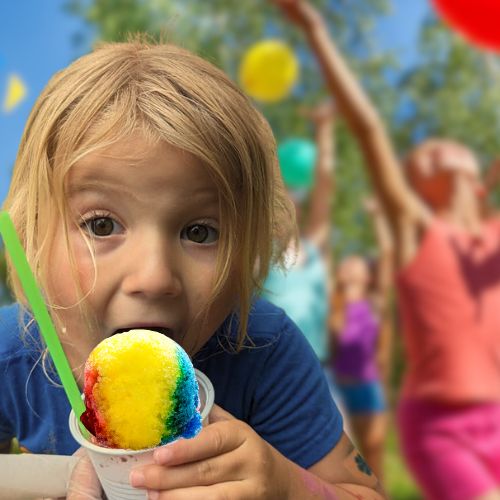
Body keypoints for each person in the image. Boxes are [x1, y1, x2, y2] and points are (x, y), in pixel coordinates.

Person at [0, 38, 386, 499]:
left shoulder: (264, 347)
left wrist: (287, 487)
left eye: (200, 232)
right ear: (30, 239)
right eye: (101, 225)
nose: (155, 277)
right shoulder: (11, 355)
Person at [273, 1, 500, 499]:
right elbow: (371, 129)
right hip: (447, 426)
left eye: (438, 146)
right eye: (417, 159)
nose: (427, 151)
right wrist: (315, 32)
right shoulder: (421, 230)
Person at [262, 101, 335, 367]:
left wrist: (324, 131)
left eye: (293, 199)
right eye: (280, 201)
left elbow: (324, 186)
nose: (289, 203)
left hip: (318, 367)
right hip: (272, 366)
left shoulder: (313, 246)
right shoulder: (259, 254)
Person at [330, 198, 393, 481]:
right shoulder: (334, 303)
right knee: (356, 463)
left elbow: (388, 254)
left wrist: (379, 216)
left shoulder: (375, 302)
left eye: (358, 263)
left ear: (368, 276)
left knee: (375, 449)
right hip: (341, 390)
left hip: (369, 386)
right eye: (348, 263)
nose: (352, 265)